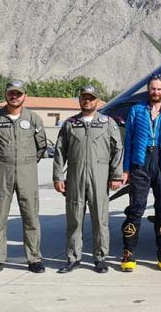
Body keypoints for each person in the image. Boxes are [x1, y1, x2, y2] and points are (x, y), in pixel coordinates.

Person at [52, 85, 124, 274]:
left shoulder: (108, 123)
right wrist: (58, 176)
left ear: (97, 101)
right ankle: (73, 258)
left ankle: (100, 258)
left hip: (99, 177)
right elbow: (60, 151)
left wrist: (116, 175)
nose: (87, 101)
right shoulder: (70, 124)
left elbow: (118, 149)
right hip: (75, 177)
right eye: (84, 97)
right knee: (74, 219)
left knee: (100, 220)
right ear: (79, 100)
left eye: (91, 98)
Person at [0, 79, 48, 276]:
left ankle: (34, 258)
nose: (14, 96)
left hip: (27, 172)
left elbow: (41, 145)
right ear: (6, 95)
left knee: (31, 217)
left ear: (24, 96)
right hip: (2, 171)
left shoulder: (34, 119)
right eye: (11, 93)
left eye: (18, 93)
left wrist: (26, 162)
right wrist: (2, 162)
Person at [120, 75, 161, 272]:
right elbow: (128, 141)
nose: (155, 92)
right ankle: (129, 252)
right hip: (140, 163)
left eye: (159, 89)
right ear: (148, 90)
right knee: (135, 209)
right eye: (152, 89)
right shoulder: (136, 110)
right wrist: (125, 169)